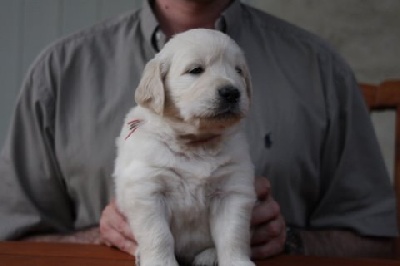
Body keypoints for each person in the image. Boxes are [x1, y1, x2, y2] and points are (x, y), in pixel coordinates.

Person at [0, 0, 397, 260]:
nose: (228, 86)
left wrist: (288, 242)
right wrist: (106, 237)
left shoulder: (319, 67)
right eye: (195, 71)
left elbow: (380, 243)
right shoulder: (59, 70)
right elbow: (11, 242)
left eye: (238, 75)